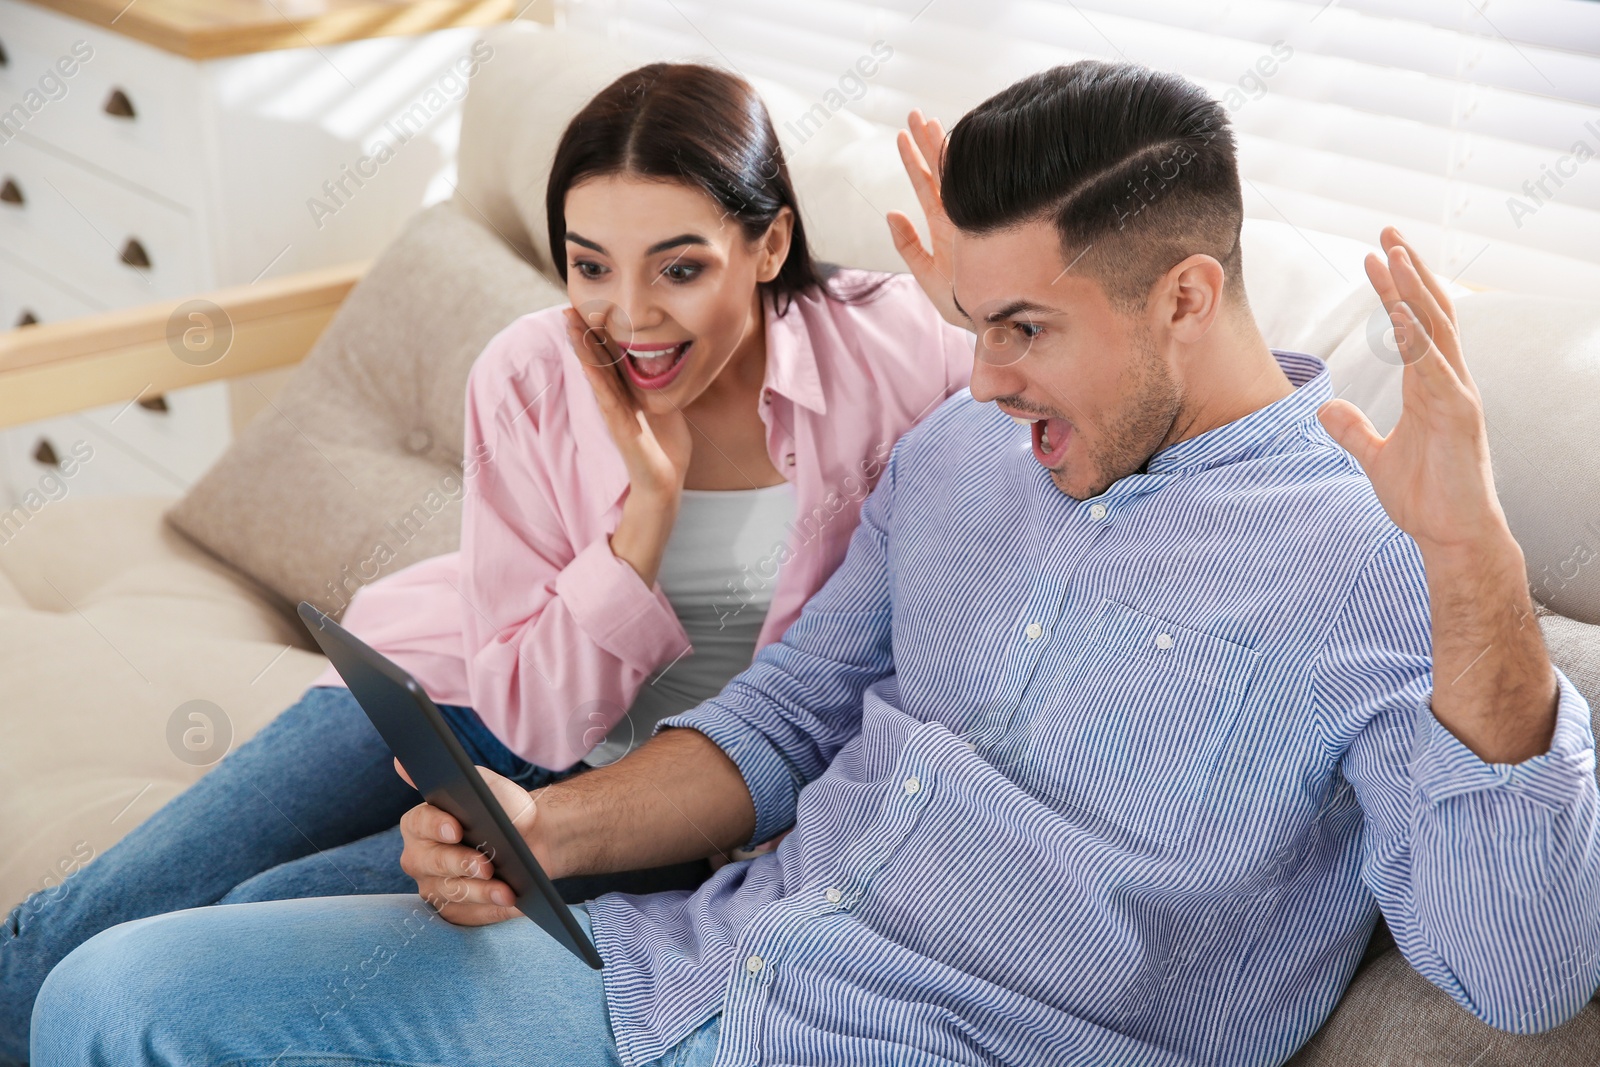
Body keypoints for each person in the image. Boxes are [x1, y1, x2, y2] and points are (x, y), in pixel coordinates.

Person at [30, 58, 1600, 1067]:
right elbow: (779, 724)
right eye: (973, 324)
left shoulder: (1388, 565)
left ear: (1188, 297)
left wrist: (1476, 579)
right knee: (113, 997)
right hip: (681, 971)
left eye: (1025, 329)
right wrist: (543, 827)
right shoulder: (967, 448)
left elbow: (1523, 972)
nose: (980, 377)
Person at [0, 62, 971, 1064]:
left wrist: (975, 309)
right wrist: (645, 513)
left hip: (646, 793)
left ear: (767, 243)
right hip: (468, 684)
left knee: (243, 923)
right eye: (589, 265)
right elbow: (529, 713)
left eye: (678, 268)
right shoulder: (527, 370)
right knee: (105, 900)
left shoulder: (900, 347)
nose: (628, 315)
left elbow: (1032, 448)